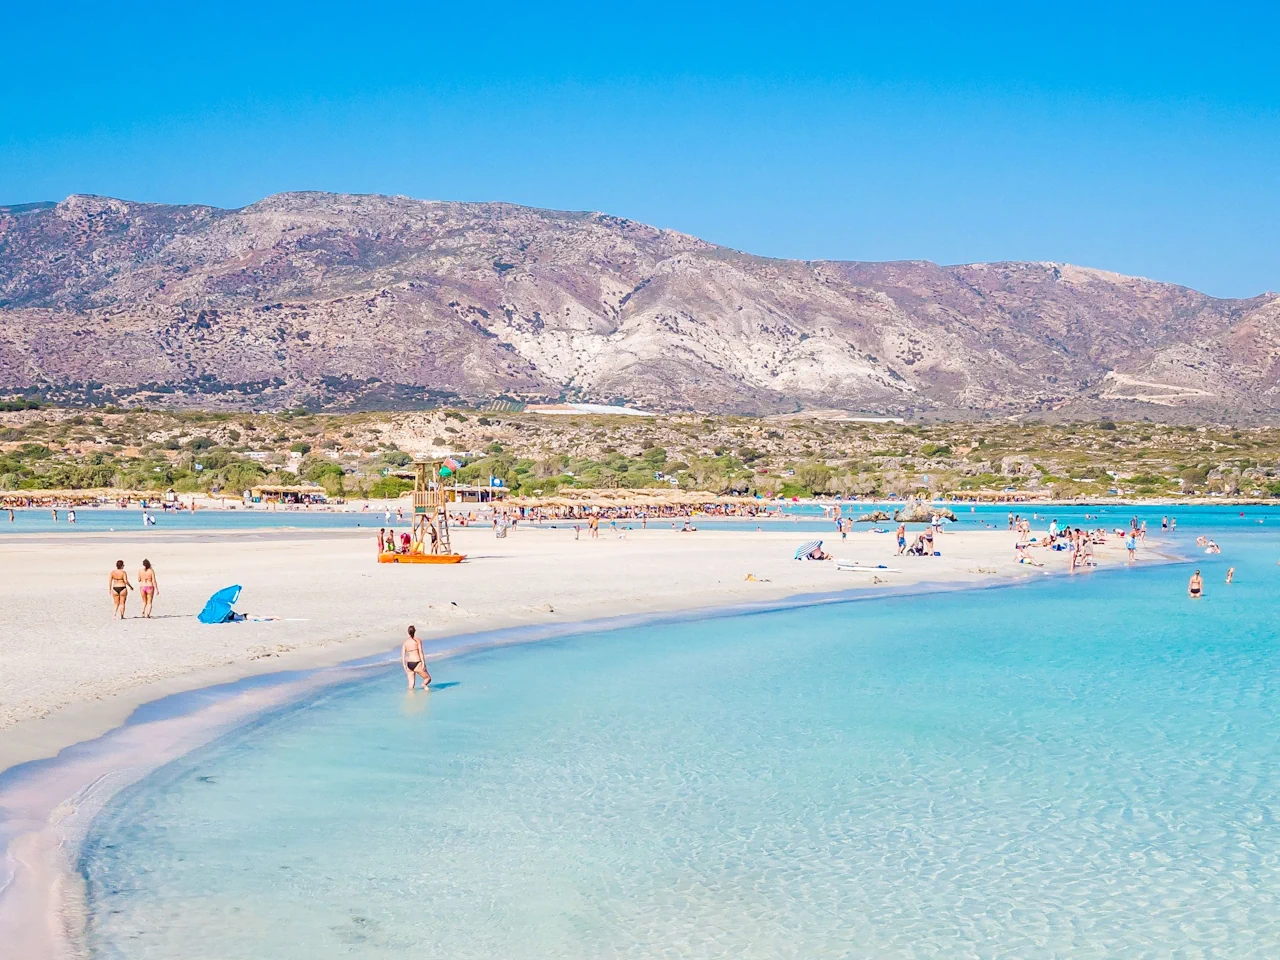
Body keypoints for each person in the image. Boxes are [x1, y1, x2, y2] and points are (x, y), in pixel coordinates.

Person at [401, 625, 431, 690]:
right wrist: (423, 663)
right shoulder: (418, 640)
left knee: (411, 685)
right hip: (417, 662)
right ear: (415, 631)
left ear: (408, 632)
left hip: (409, 664)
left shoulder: (405, 643)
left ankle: (411, 698)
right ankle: (424, 684)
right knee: (427, 678)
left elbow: (403, 656)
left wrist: (404, 666)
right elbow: (421, 652)